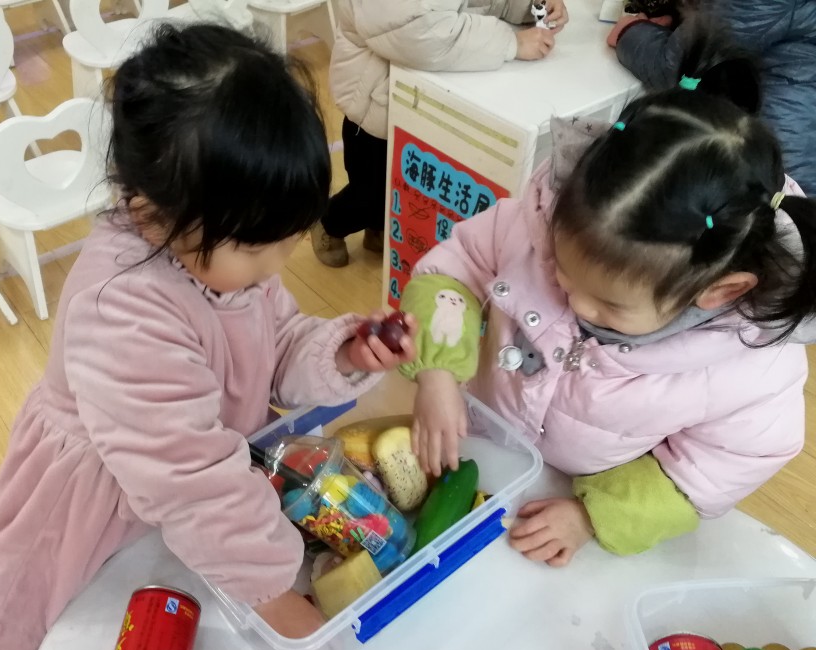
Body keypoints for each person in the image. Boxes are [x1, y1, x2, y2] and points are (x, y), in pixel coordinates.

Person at [0, 23, 416, 650]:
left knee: (188, 621)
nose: (276, 267)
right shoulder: (120, 308)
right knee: (82, 648)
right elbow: (191, 482)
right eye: (258, 248)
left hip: (191, 494)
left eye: (288, 240)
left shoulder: (219, 249)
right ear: (152, 215)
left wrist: (345, 352)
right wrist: (275, 595)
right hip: (102, 504)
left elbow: (277, 347)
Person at [398, 26, 816, 567]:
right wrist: (436, 371)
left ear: (719, 290)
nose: (576, 306)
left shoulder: (750, 365)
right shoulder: (539, 221)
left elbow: (722, 463)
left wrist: (594, 515)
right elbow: (456, 269)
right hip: (482, 434)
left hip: (577, 491)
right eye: (562, 274)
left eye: (611, 306)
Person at [311, 0, 568, 268]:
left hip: (432, 90)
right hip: (378, 103)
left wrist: (532, 6)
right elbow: (414, 30)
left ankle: (378, 227)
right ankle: (330, 222)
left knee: (409, 190)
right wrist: (510, 42)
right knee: (373, 191)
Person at [607, 0, 816, 194]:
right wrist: (680, 28)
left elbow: (675, 68)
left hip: (773, 153)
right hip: (785, 134)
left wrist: (630, 30)